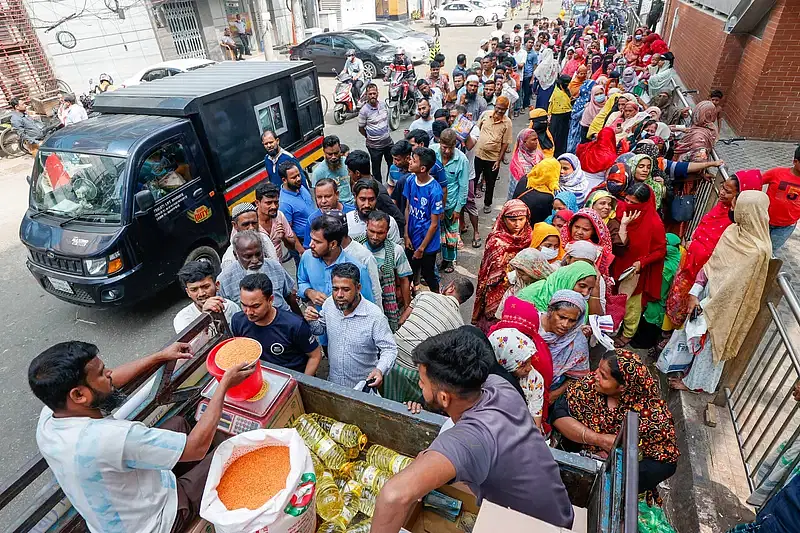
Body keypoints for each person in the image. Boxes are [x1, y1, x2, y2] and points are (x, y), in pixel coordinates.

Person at [30, 340, 254, 533]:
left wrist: (159, 356)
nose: (109, 373)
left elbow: (113, 380)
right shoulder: (110, 438)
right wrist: (223, 385)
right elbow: (196, 448)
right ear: (78, 394)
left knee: (177, 423)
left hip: (124, 505)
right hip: (157, 521)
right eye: (101, 373)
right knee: (233, 450)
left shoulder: (51, 416)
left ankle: (202, 472)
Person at [371, 330, 575, 530]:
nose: (419, 384)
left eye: (422, 382)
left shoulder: (471, 439)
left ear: (444, 397)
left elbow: (393, 496)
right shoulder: (499, 385)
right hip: (561, 511)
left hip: (536, 526)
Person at [670, 191, 773, 393]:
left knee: (711, 345)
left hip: (725, 306)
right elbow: (713, 264)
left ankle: (696, 384)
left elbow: (739, 288)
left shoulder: (758, 251)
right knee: (697, 337)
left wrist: (709, 305)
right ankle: (687, 371)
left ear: (748, 212)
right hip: (706, 295)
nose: (732, 209)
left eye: (736, 206)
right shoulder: (733, 231)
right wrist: (695, 292)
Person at [552, 350, 679, 492]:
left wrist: (617, 465)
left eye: (603, 376)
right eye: (598, 369)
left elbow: (665, 463)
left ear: (622, 386)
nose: (595, 376)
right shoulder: (589, 387)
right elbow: (558, 414)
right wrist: (598, 439)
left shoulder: (652, 417)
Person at [304, 263, 397, 388]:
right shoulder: (329, 304)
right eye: (335, 289)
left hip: (362, 387)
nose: (339, 295)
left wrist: (380, 370)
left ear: (358, 288)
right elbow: (320, 329)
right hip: (334, 383)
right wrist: (311, 319)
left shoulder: (374, 316)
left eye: (346, 289)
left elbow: (389, 349)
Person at [383, 278, 474, 402]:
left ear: (451, 288)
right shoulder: (459, 325)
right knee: (411, 404)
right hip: (416, 371)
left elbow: (402, 320)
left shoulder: (425, 295)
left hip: (392, 357)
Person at [232, 273, 321, 375]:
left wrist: (301, 385)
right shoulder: (238, 321)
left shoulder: (295, 325)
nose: (248, 312)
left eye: (255, 306)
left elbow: (315, 355)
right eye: (244, 305)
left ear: (270, 300)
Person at [611, 183, 666, 347]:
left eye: (633, 203)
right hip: (616, 262)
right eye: (626, 200)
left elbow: (660, 250)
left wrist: (641, 263)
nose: (627, 205)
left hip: (634, 272)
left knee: (630, 306)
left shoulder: (655, 224)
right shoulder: (620, 209)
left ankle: (628, 334)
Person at [472, 200, 533, 333]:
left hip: (522, 291)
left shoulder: (531, 237)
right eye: (512, 220)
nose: (517, 224)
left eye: (521, 219)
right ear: (503, 219)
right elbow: (485, 271)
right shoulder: (495, 241)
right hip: (496, 290)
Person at [218, 231, 300, 314]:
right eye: (248, 256)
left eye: (258, 254)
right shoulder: (225, 280)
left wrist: (301, 321)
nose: (255, 260)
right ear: (236, 255)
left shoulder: (274, 266)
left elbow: (290, 296)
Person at [358, 210, 412, 332]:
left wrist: (407, 309)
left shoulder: (395, 251)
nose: (375, 237)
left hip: (387, 304)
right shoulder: (356, 247)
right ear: (366, 226)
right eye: (372, 231)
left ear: (387, 231)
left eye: (380, 233)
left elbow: (404, 280)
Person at [488, 328, 547, 431]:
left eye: (529, 361)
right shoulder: (489, 381)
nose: (529, 368)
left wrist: (534, 433)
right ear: (503, 360)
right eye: (522, 365)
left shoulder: (534, 379)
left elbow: (536, 412)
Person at [403, 147, 444, 292]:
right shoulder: (410, 181)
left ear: (422, 168)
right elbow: (408, 208)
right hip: (412, 238)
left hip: (427, 244)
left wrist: (421, 249)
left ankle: (437, 298)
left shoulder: (435, 191)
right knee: (408, 271)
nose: (409, 162)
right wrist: (406, 234)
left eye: (413, 161)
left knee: (428, 274)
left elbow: (434, 224)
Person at [433, 129, 469, 273]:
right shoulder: (432, 152)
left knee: (451, 234)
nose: (447, 151)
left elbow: (463, 187)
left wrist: (458, 209)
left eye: (450, 148)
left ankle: (449, 261)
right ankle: (437, 261)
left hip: (451, 204)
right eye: (444, 147)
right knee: (436, 233)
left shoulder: (462, 160)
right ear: (439, 143)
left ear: (456, 145)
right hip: (434, 203)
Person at [174, 261, 241, 333]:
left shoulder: (230, 307)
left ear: (217, 285)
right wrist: (205, 317)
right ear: (188, 292)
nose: (201, 294)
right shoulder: (183, 319)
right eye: (194, 290)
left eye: (206, 287)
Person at [474, 96, 513, 213]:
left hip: (493, 158)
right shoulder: (485, 115)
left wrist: (498, 160)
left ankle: (487, 204)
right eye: (498, 108)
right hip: (478, 154)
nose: (500, 111)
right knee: (474, 179)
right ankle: (469, 202)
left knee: (490, 183)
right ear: (495, 105)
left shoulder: (507, 123)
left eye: (503, 109)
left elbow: (505, 143)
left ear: (506, 109)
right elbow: (476, 129)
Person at [495, 248, 555, 317]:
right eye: (518, 273)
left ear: (535, 272)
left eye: (523, 274)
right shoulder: (517, 286)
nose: (519, 276)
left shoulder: (548, 287)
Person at [255, 181, 304, 263]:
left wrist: (284, 237)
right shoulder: (248, 221)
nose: (274, 206)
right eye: (268, 203)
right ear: (257, 203)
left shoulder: (279, 216)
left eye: (276, 202)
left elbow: (292, 246)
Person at [763, 146, 800, 251]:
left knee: (770, 251)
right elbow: (756, 181)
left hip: (786, 226)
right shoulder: (777, 173)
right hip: (764, 220)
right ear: (795, 161)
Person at [220, 202, 279, 268]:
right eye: (246, 224)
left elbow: (275, 266)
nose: (251, 228)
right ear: (235, 225)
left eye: (254, 223)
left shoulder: (265, 239)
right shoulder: (229, 258)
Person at [303, 177, 356, 247]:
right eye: (319, 197)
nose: (323, 201)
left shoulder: (353, 212)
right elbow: (308, 248)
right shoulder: (312, 220)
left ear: (337, 195)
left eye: (327, 196)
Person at [347, 177, 402, 245]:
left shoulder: (389, 222)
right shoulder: (347, 221)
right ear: (355, 197)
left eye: (371, 199)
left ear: (377, 198)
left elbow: (396, 250)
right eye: (362, 199)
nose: (367, 205)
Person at [358, 83, 394, 183]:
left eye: (374, 93)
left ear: (377, 93)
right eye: (370, 94)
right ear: (366, 95)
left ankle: (390, 183)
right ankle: (379, 189)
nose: (372, 96)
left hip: (388, 143)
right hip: (374, 147)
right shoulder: (364, 111)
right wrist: (369, 136)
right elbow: (361, 128)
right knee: (376, 169)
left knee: (393, 164)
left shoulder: (383, 105)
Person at [278, 161, 314, 253]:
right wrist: (301, 251)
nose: (298, 179)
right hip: (304, 244)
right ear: (284, 180)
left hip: (316, 235)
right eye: (294, 177)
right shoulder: (284, 204)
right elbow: (288, 231)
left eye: (298, 175)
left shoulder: (299, 187)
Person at [513, 157, 560, 225]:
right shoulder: (547, 197)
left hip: (514, 218)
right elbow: (545, 218)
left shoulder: (526, 178)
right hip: (528, 226)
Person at [311, 135, 354, 205]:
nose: (333, 157)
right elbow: (317, 198)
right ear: (324, 152)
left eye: (336, 153)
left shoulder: (347, 163)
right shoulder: (318, 172)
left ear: (340, 149)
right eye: (330, 154)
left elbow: (352, 183)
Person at [508, 128, 545, 200]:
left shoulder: (539, 154)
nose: (536, 142)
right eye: (533, 140)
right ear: (524, 142)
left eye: (537, 139)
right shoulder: (517, 163)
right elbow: (518, 187)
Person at [548, 75, 573, 157]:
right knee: (557, 138)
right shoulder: (558, 94)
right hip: (557, 117)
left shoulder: (565, 90)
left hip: (565, 118)